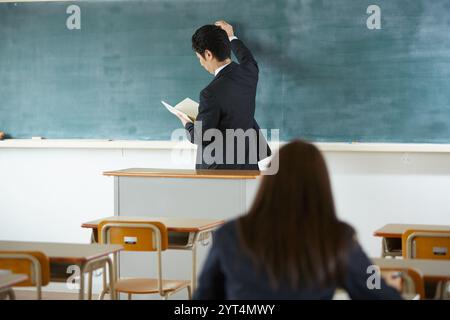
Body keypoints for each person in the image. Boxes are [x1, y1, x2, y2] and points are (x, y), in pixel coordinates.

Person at [193, 140, 402, 299]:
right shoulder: (336, 237)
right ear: (321, 187)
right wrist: (390, 286)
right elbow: (374, 289)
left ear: (269, 184)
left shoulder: (231, 234)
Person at [175, 20, 271, 170]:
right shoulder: (249, 73)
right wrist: (231, 37)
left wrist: (186, 123)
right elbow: (247, 58)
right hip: (248, 165)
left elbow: (201, 136)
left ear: (208, 54)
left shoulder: (210, 93)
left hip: (219, 171)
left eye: (199, 58)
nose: (201, 63)